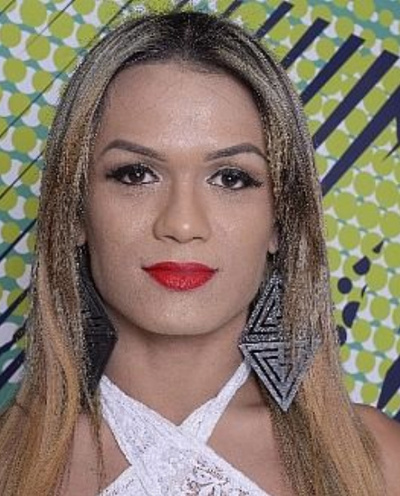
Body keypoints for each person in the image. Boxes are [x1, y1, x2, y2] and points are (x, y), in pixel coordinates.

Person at [0, 10, 399, 496]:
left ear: (280, 219)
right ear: (76, 210)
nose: (182, 224)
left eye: (231, 178)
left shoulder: (379, 462)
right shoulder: (7, 462)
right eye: (136, 174)